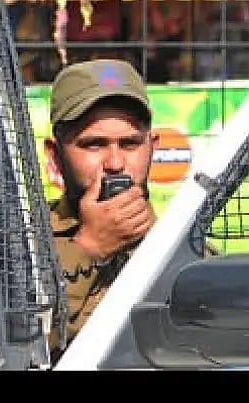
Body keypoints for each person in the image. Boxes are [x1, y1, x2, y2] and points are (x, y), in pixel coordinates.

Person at [43, 58, 158, 361]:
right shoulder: (21, 244)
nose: (115, 164)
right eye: (94, 145)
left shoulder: (181, 246)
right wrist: (90, 247)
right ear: (55, 156)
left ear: (152, 148)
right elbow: (9, 341)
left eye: (130, 144)